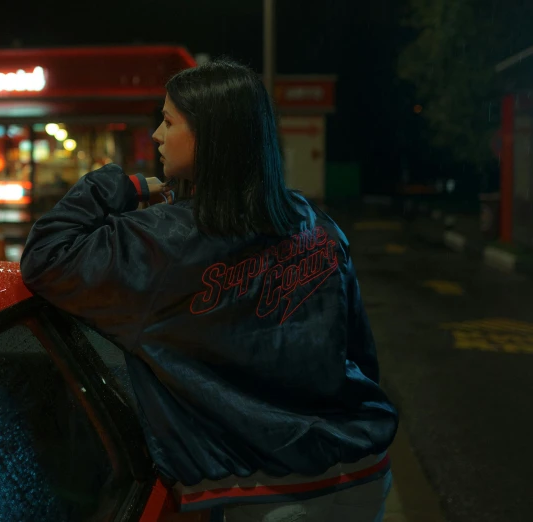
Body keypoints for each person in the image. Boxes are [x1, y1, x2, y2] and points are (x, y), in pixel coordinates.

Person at [20, 59, 398, 522]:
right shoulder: (313, 223)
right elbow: (359, 354)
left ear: (212, 136)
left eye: (169, 121)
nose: (157, 135)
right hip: (362, 471)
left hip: (260, 494)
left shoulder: (159, 242)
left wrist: (120, 185)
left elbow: (46, 254)